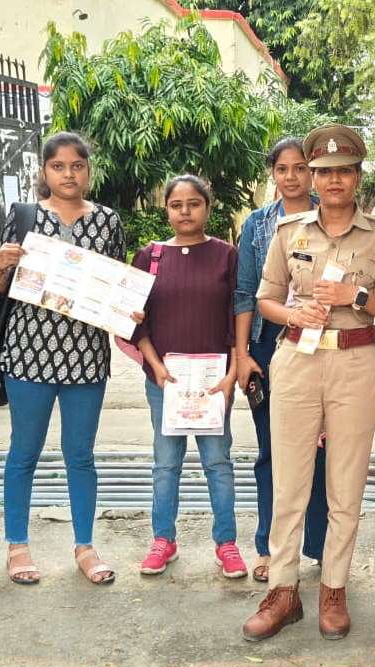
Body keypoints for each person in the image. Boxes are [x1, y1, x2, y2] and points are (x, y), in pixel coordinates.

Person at [242, 124, 375, 642]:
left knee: (345, 481)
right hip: (296, 358)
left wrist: (355, 299)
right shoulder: (287, 232)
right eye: (324, 172)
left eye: (344, 171)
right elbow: (264, 297)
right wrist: (293, 314)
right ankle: (282, 589)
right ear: (312, 178)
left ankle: (334, 587)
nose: (333, 180)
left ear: (358, 176)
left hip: (356, 363)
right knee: (289, 479)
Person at [0, 132, 126, 587]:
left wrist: (128, 308)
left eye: (77, 166)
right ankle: (18, 545)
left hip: (86, 357)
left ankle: (85, 546)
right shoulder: (25, 217)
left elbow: (117, 286)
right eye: (59, 166)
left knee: (80, 456)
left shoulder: (108, 220)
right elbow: (3, 289)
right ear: (43, 172)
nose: (69, 174)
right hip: (29, 353)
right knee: (23, 453)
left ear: (89, 170)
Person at [128, 175, 243, 579]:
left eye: (194, 204)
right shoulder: (150, 256)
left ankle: (226, 543)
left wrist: (232, 373)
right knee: (165, 464)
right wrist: (156, 366)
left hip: (214, 381)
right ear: (167, 209)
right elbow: (132, 320)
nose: (185, 212)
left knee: (218, 462)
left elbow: (236, 316)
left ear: (207, 208)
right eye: (177, 205)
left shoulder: (227, 255)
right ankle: (163, 540)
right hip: (165, 381)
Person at [234, 138, 328, 582]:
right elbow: (244, 293)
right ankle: (268, 547)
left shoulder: (331, 215)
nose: (291, 177)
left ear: (312, 173)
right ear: (272, 173)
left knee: (324, 448)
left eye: (300, 168)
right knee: (272, 449)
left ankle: (320, 543)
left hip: (324, 338)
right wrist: (242, 355)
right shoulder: (257, 225)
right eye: (282, 169)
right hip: (269, 341)